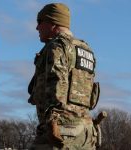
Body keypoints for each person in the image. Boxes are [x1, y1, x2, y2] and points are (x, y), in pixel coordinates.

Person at [28, 3, 101, 150]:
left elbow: (56, 85)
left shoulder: (57, 47)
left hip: (60, 131)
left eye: (40, 22)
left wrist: (52, 122)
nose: (37, 28)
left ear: (52, 23)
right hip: (85, 133)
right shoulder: (86, 49)